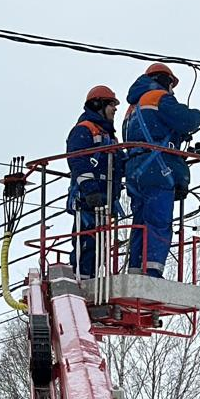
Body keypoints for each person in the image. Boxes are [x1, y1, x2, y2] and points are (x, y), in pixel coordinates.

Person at [121, 62, 200, 277]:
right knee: (158, 222)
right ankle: (153, 272)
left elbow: (143, 133)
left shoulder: (131, 109)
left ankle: (136, 270)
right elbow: (186, 120)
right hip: (156, 169)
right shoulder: (158, 97)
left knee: (140, 223)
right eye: (171, 85)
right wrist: (198, 116)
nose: (172, 91)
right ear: (165, 81)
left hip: (134, 171)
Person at [66, 85, 121, 277]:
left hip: (104, 199)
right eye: (111, 105)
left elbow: (118, 166)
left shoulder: (109, 137)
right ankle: (81, 277)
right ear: (98, 105)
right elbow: (77, 161)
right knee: (86, 241)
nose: (115, 109)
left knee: (100, 246)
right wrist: (89, 190)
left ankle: (92, 276)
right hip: (87, 198)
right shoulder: (83, 131)